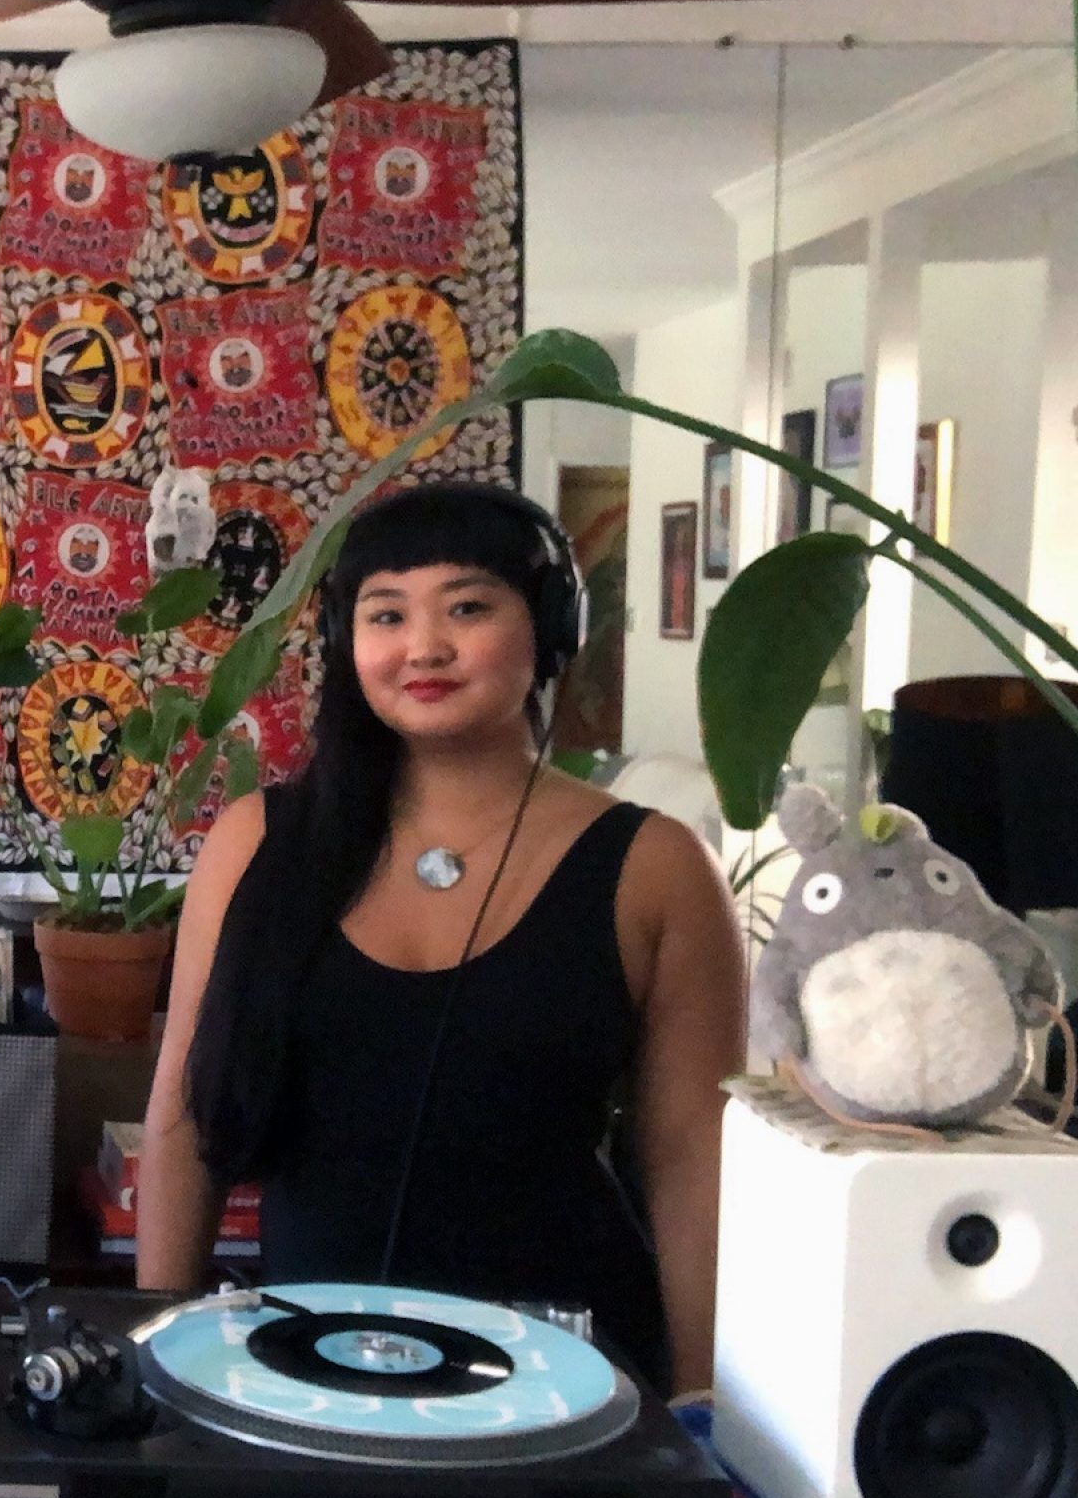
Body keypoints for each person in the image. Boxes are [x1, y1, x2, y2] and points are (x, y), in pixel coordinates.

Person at [133, 480, 745, 1393]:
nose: (424, 647)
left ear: (547, 627)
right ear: (348, 644)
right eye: (386, 614)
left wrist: (702, 1407)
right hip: (300, 1374)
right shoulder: (258, 843)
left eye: (467, 606)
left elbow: (693, 1157)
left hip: (569, 1379)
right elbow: (184, 1115)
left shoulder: (656, 867)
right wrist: (159, 1355)